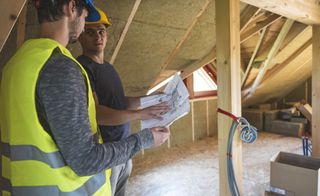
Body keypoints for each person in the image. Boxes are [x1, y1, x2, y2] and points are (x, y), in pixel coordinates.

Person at [0, 0, 170, 195]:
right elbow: (85, 160)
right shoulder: (61, 68)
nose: (85, 19)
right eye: (85, 13)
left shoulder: (16, 63)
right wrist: (144, 140)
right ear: (71, 8)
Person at [77, 8, 170, 196]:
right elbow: (98, 114)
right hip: (106, 151)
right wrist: (141, 114)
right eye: (90, 32)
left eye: (101, 31)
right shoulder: (83, 68)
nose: (98, 37)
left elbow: (122, 103)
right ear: (79, 36)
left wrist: (151, 100)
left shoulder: (108, 68)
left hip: (124, 148)